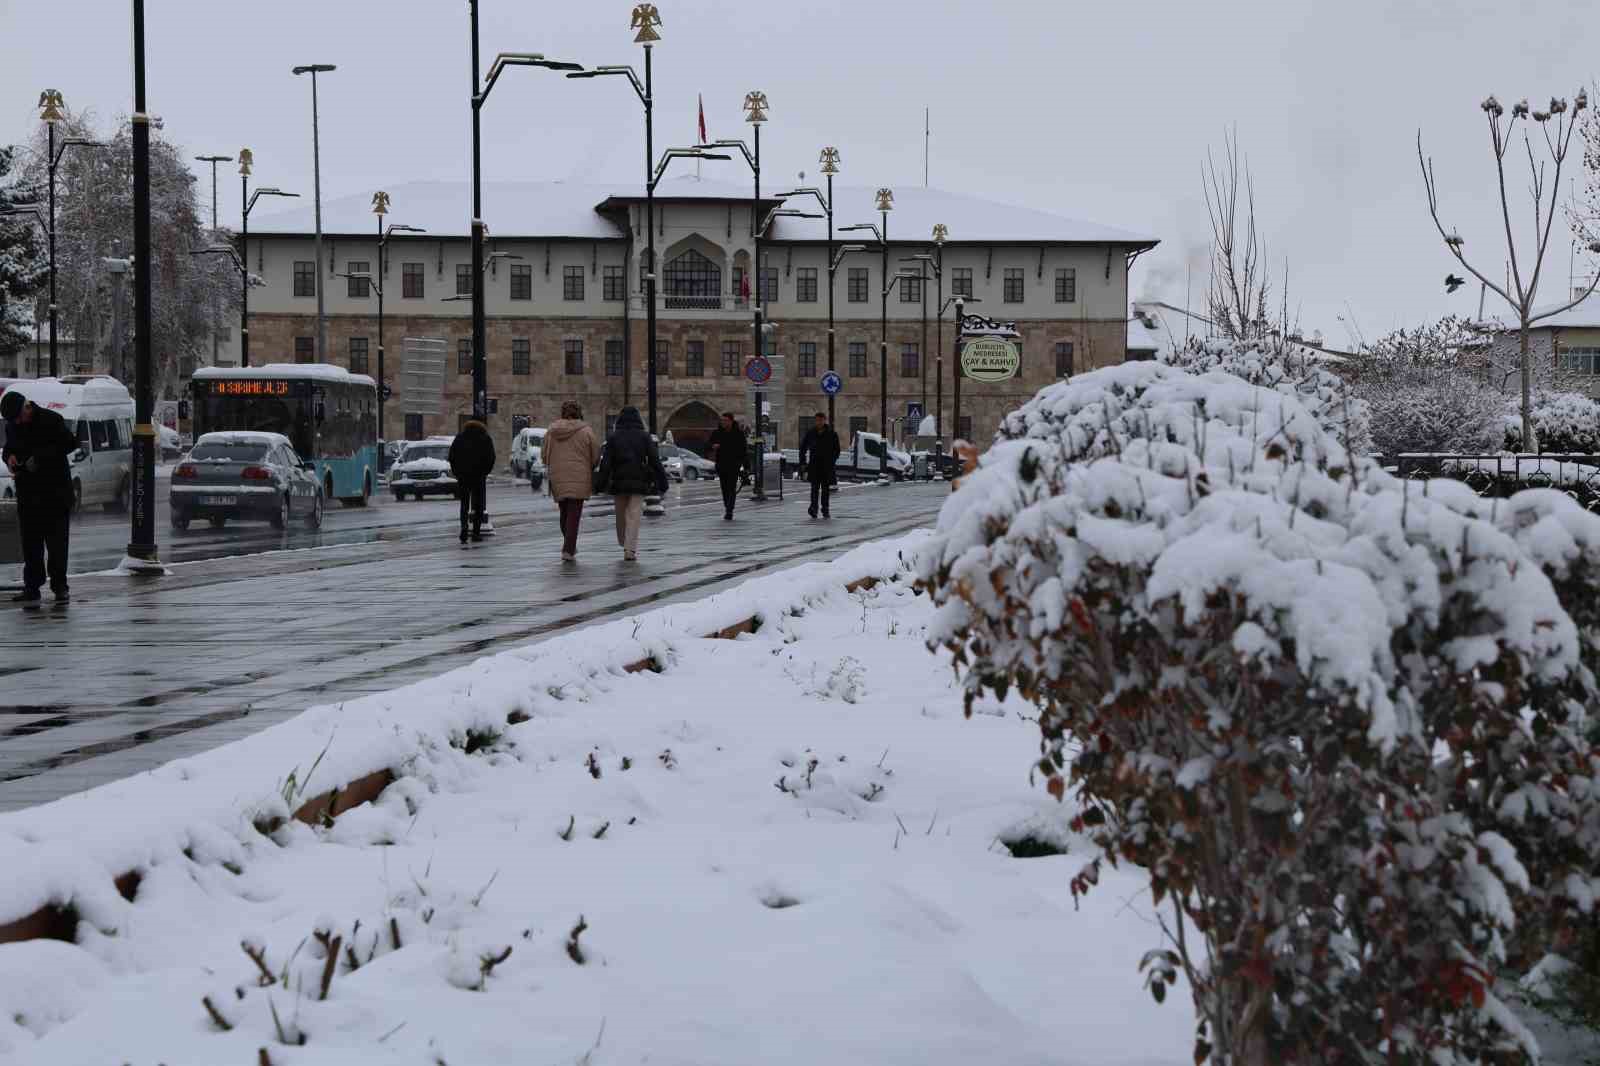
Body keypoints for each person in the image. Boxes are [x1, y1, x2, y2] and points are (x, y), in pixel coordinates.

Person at [1, 389, 79, 603]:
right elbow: (7, 449)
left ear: (27, 407)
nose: (17, 422)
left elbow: (70, 443)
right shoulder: (13, 426)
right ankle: (32, 587)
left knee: (57, 545)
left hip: (55, 493)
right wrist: (10, 458)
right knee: (31, 545)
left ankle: (60, 586)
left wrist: (41, 458)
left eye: (19, 417)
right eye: (13, 420)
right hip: (28, 494)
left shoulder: (51, 420)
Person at [593, 406, 667, 562]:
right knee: (634, 515)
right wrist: (663, 480)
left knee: (620, 515)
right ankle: (630, 548)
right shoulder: (644, 436)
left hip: (619, 481)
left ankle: (623, 541)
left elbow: (606, 463)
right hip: (639, 480)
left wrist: (599, 484)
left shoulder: (613, 438)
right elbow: (654, 460)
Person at [543, 402, 600, 561]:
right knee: (574, 514)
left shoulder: (552, 431)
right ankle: (568, 549)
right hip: (580, 476)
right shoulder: (586, 431)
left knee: (564, 512)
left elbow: (544, 455)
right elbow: (595, 455)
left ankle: (570, 545)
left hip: (558, 476)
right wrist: (590, 466)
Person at [448, 419, 496, 543]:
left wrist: (457, 472)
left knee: (464, 504)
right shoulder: (485, 438)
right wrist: (485, 472)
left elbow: (452, 456)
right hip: (478, 476)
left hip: (463, 476)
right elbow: (491, 457)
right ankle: (476, 533)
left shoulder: (460, 438)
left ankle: (464, 529)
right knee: (478, 506)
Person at [706, 411, 749, 521]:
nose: (723, 422)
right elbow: (707, 446)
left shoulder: (738, 433)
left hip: (734, 465)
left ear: (731, 421)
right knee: (724, 488)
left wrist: (746, 466)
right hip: (721, 464)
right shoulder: (717, 433)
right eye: (722, 420)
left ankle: (729, 509)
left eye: (725, 420)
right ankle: (727, 506)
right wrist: (713, 446)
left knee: (731, 487)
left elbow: (744, 450)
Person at [797, 411, 841, 519]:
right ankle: (814, 509)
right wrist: (803, 462)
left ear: (824, 420)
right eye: (817, 420)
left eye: (821, 420)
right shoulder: (811, 433)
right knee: (814, 489)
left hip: (826, 466)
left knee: (825, 490)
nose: (819, 422)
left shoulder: (831, 433)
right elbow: (803, 448)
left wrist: (831, 460)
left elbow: (837, 450)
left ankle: (825, 509)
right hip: (814, 465)